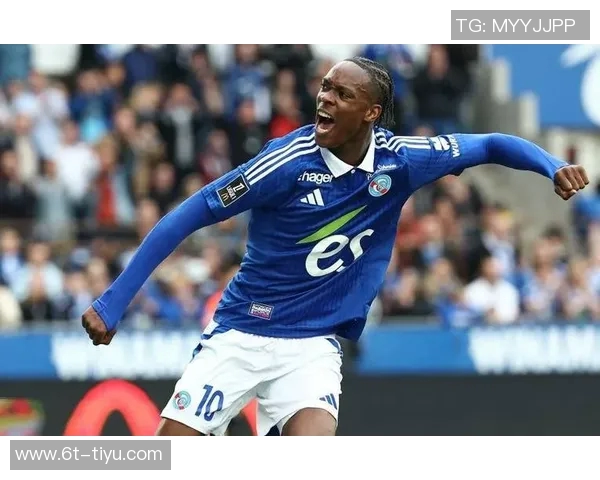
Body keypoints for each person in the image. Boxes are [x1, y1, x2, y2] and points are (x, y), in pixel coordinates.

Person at [81, 56, 589, 436]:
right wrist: (113, 301)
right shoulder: (285, 163)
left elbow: (493, 143)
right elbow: (186, 217)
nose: (324, 99)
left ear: (371, 113)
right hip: (241, 333)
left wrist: (552, 166)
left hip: (312, 344)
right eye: (325, 87)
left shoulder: (401, 160)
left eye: (342, 94)